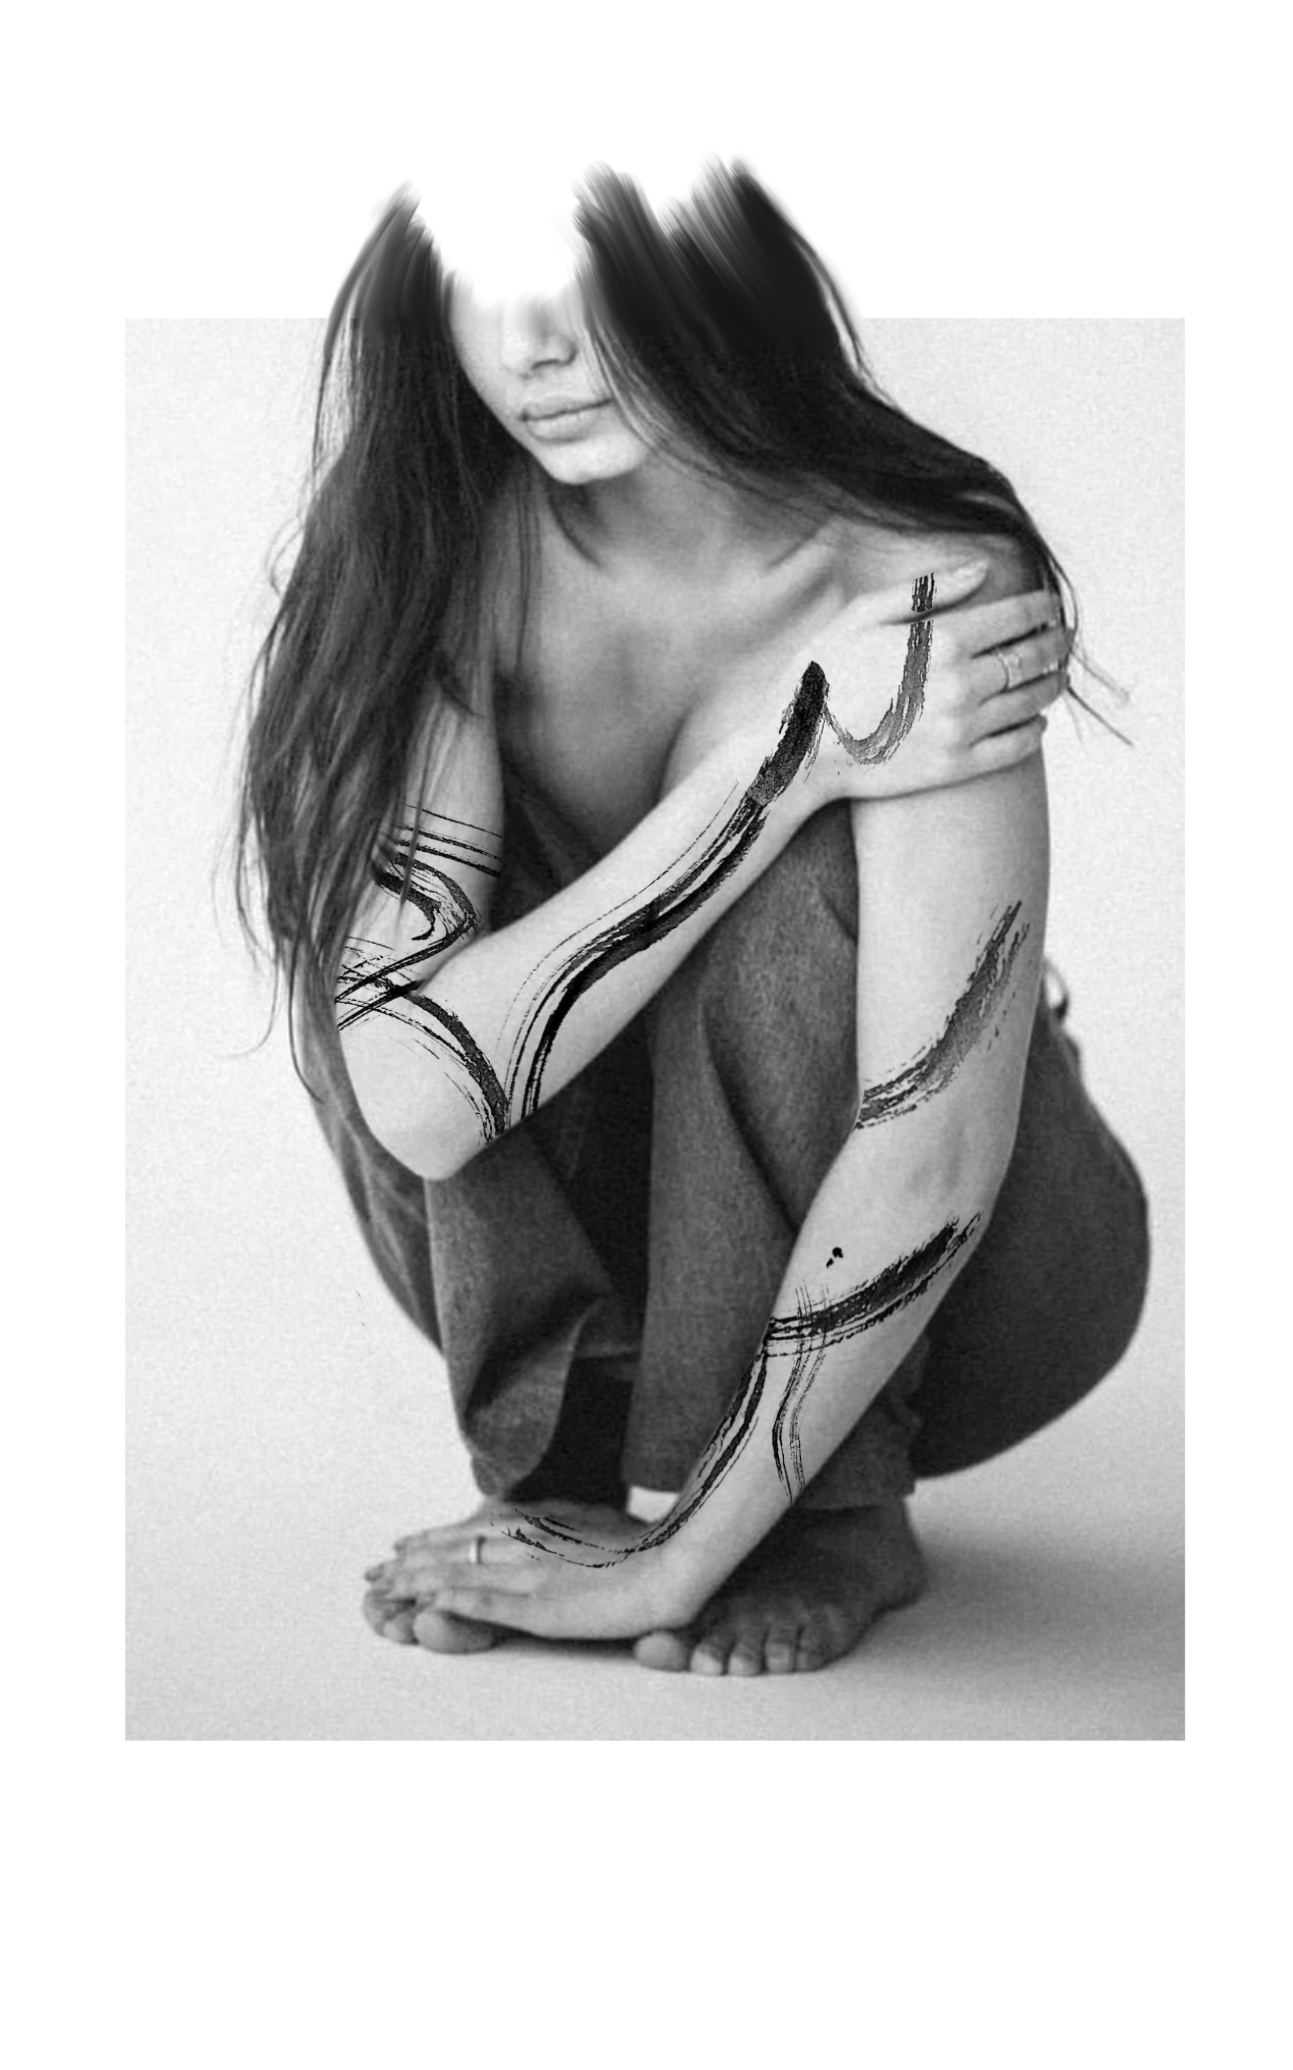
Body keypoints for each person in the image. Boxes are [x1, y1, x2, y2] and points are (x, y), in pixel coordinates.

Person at [235, 164, 1150, 1677]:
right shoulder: (437, 556)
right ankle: (561, 1482)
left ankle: (828, 1512)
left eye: (586, 267)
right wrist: (786, 756)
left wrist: (680, 1563)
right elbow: (413, 1098)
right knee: (391, 977)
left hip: (985, 1280)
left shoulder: (918, 575)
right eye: (481, 283)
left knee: (792, 902)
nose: (533, 345)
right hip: (586, 1268)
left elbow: (934, 1152)